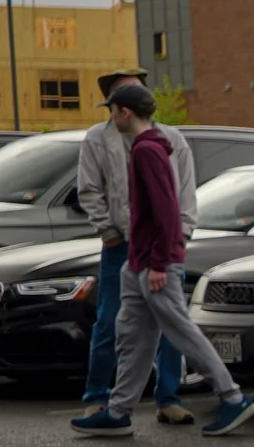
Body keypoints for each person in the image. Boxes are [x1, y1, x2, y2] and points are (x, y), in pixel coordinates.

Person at [70, 84, 254, 437]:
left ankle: (233, 398)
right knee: (133, 335)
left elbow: (168, 211)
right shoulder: (149, 146)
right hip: (137, 262)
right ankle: (119, 412)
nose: (111, 117)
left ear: (125, 112)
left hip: (154, 264)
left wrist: (159, 263)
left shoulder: (148, 151)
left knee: (180, 331)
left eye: (113, 110)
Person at [75, 64, 199, 424]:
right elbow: (89, 189)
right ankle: (98, 395)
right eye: (120, 93)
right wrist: (108, 231)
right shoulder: (98, 139)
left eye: (135, 89)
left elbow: (184, 194)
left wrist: (182, 235)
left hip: (163, 246)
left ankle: (168, 398)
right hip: (120, 246)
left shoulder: (172, 140)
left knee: (171, 322)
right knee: (110, 322)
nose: (128, 100)